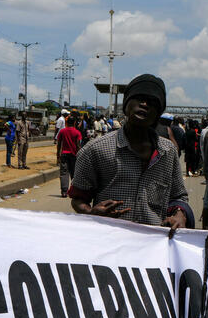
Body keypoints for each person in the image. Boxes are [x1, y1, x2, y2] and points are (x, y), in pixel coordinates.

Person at [69, 73, 188, 229]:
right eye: (139, 98)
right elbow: (78, 199)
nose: (145, 104)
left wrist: (180, 215)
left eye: (152, 102)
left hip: (152, 246)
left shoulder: (168, 152)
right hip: (109, 243)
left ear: (158, 114)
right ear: (126, 105)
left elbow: (179, 196)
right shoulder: (94, 150)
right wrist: (92, 213)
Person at [56, 113, 83, 196]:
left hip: (64, 155)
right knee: (74, 173)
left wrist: (58, 155)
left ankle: (64, 192)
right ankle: (74, 191)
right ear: (74, 122)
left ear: (67, 122)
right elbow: (78, 145)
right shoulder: (77, 132)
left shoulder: (62, 131)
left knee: (64, 173)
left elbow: (59, 144)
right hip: (74, 156)